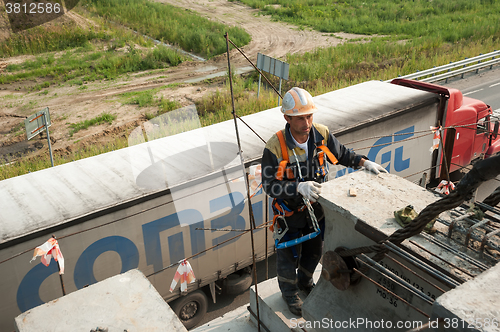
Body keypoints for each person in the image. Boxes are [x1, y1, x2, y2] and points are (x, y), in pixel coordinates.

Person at [261, 87, 386, 316]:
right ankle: (289, 294)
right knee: (288, 257)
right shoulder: (275, 147)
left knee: (314, 252)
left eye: (309, 116)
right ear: (287, 118)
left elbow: (342, 154)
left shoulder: (321, 135)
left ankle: (305, 282)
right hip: (290, 215)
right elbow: (269, 185)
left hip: (316, 212)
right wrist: (298, 187)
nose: (306, 122)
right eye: (300, 118)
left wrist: (363, 162)